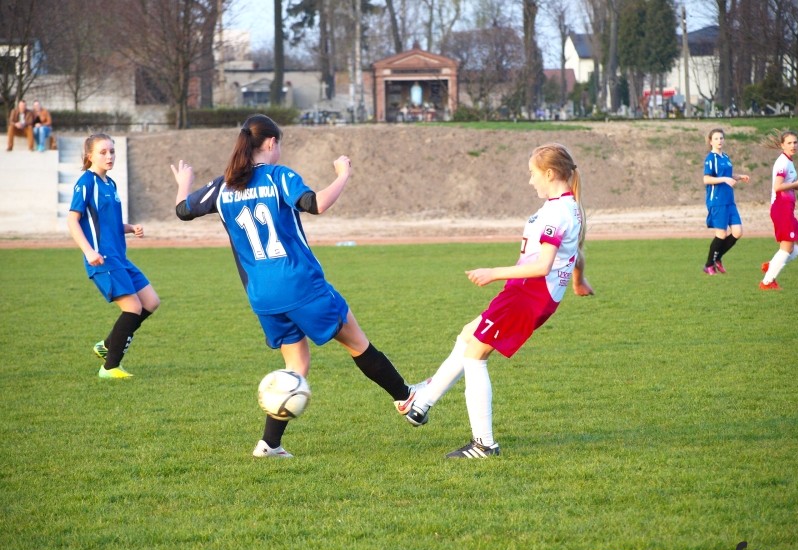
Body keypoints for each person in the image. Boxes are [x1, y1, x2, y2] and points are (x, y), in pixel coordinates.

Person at [170, 114, 420, 459]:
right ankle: (406, 398)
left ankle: (269, 444)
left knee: (296, 364)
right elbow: (316, 204)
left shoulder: (223, 185)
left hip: (262, 295)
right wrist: (343, 175)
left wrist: (184, 182)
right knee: (356, 342)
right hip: (301, 285)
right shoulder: (279, 176)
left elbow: (183, 210)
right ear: (271, 143)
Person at [404, 143, 586, 458]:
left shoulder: (557, 212)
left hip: (529, 295)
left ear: (549, 174)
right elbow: (575, 252)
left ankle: (484, 444)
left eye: (532, 173)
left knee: (475, 356)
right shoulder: (567, 206)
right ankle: (421, 404)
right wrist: (579, 280)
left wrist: (493, 273)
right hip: (526, 293)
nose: (530, 180)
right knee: (467, 335)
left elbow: (544, 265)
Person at [67, 133, 160, 378]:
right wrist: (89, 251)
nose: (109, 156)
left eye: (112, 151)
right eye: (103, 152)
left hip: (119, 258)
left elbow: (110, 224)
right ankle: (109, 367)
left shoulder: (110, 184)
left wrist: (130, 228)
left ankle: (107, 345)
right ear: (89, 156)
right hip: (102, 259)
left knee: (151, 302)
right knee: (133, 308)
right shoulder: (86, 182)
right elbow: (72, 220)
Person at [702, 128, 750, 275]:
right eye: (716, 139)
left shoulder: (726, 157)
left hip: (729, 201)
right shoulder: (711, 158)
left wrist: (739, 177)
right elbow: (706, 179)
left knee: (737, 232)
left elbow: (727, 176)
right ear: (710, 141)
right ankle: (709, 265)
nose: (719, 141)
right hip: (717, 201)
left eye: (721, 138)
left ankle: (717, 258)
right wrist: (724, 179)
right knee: (721, 234)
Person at [760, 130, 798, 290]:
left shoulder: (789, 161)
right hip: (781, 208)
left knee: (796, 247)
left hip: (787, 209)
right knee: (787, 247)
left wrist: (796, 186)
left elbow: (789, 185)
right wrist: (796, 184)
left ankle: (772, 265)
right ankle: (767, 282)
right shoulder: (783, 162)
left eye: (795, 142)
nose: (793, 145)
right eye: (789, 143)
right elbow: (777, 187)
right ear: (782, 145)